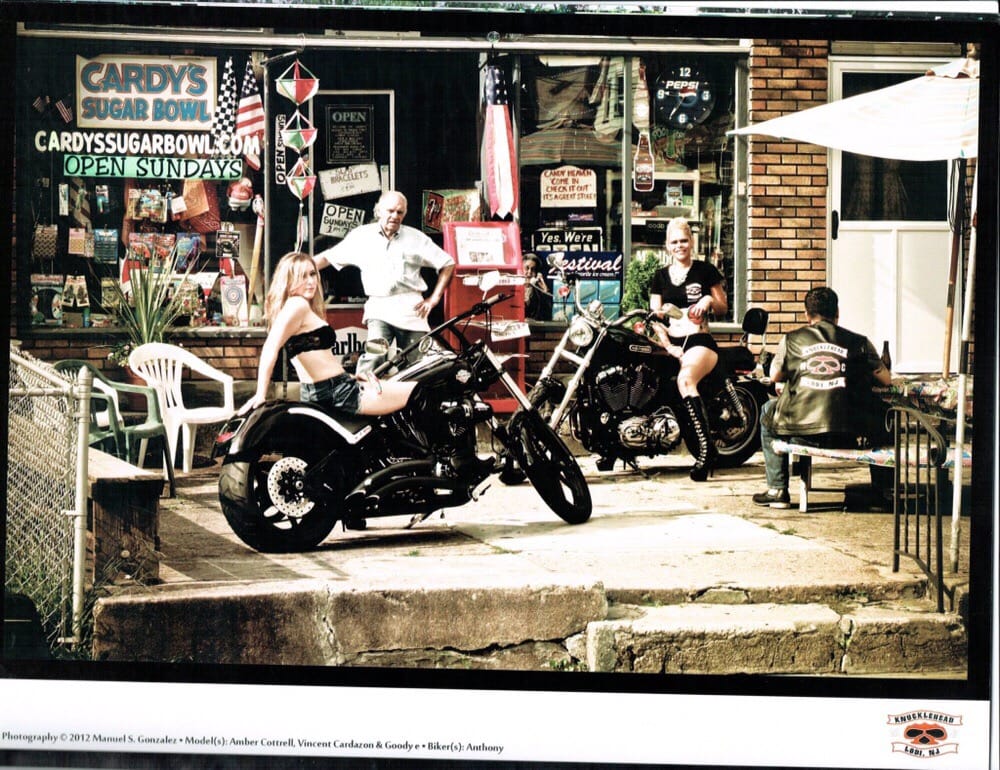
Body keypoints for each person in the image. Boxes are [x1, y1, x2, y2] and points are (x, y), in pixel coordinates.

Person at [754, 286, 893, 508]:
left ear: (806, 314)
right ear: (837, 312)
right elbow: (886, 380)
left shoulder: (790, 340)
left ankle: (777, 490)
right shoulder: (860, 342)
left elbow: (774, 375)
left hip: (801, 433)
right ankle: (884, 491)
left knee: (768, 411)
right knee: (886, 414)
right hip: (852, 434)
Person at [238, 251, 416, 418]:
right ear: (289, 281)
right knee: (419, 389)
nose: (311, 281)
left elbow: (316, 358)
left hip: (330, 388)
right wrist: (260, 394)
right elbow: (270, 347)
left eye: (312, 274)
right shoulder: (297, 305)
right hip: (338, 392)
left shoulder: (294, 307)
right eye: (302, 276)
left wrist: (350, 376)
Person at [313, 190, 455, 374]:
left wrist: (434, 299)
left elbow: (447, 263)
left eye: (400, 212)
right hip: (380, 308)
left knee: (418, 361)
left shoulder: (416, 238)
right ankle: (361, 397)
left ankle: (410, 400)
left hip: (412, 310)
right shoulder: (361, 237)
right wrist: (296, 268)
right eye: (390, 211)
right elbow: (327, 258)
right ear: (378, 210)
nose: (394, 216)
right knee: (374, 355)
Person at [647, 217, 728, 481]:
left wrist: (707, 299)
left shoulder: (705, 271)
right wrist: (668, 346)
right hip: (673, 342)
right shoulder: (659, 277)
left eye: (684, 240)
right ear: (667, 246)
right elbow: (655, 317)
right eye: (674, 242)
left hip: (698, 339)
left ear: (692, 242)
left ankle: (706, 452)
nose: (679, 246)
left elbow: (723, 307)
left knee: (686, 379)